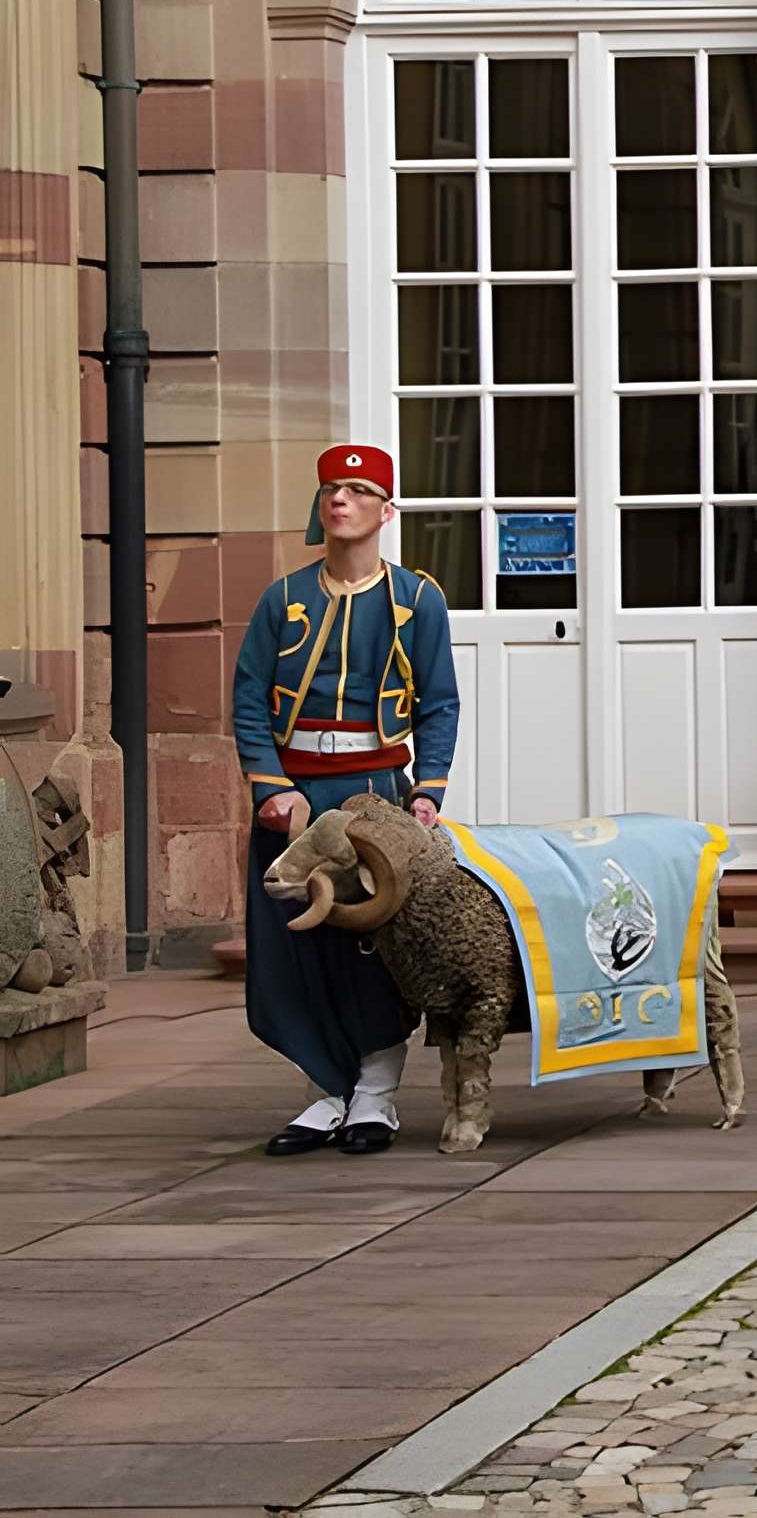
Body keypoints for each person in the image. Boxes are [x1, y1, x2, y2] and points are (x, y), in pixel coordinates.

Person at [231, 444, 460, 1156]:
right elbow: (246, 699)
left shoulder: (418, 599)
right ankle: (325, 1092)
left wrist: (428, 790)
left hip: (373, 798)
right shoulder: (285, 598)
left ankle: (376, 1095)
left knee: (371, 946)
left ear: (385, 511)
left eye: (359, 490)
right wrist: (269, 787)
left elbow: (440, 704)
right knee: (291, 946)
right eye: (333, 488)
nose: (341, 500)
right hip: (293, 800)